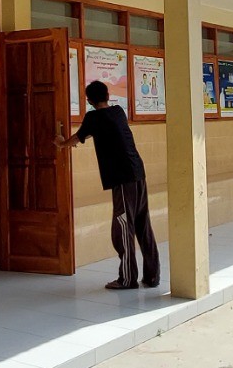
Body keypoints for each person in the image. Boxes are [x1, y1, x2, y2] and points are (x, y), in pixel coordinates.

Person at [55, 80, 160, 290]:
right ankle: (152, 276)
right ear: (108, 96)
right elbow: (99, 131)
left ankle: (128, 279)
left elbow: (77, 137)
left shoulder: (93, 117)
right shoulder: (118, 112)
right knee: (142, 224)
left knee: (122, 228)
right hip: (138, 172)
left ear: (89, 100)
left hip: (122, 178)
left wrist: (61, 143)